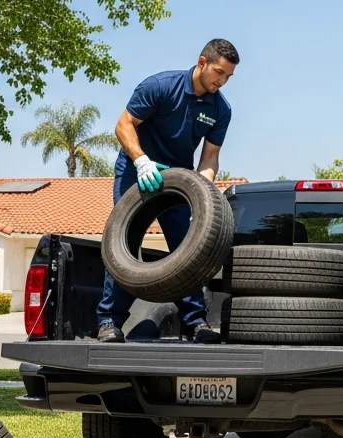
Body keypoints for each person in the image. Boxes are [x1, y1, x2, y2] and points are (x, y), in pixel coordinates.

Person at [95, 38, 239, 343]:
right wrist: (141, 161)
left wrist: (203, 191)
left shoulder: (220, 109)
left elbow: (210, 157)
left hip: (178, 179)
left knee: (188, 246)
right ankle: (109, 321)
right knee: (123, 243)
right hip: (137, 171)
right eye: (218, 72)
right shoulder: (161, 86)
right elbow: (123, 125)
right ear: (202, 62)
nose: (222, 81)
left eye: (228, 77)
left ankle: (194, 322)